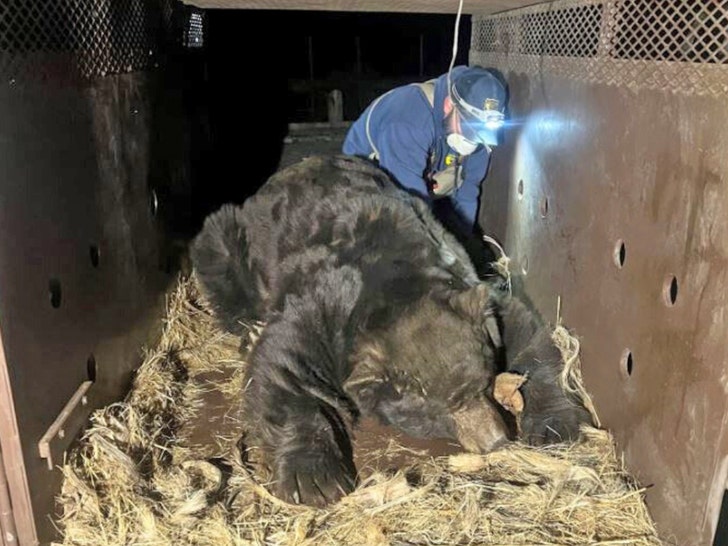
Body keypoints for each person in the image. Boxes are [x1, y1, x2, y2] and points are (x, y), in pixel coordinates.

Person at [342, 65, 508, 252]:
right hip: (369, 173)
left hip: (424, 172)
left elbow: (468, 191)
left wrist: (464, 245)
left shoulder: (480, 142)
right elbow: (412, 203)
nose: (472, 142)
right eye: (468, 130)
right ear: (448, 106)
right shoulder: (409, 121)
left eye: (480, 134)